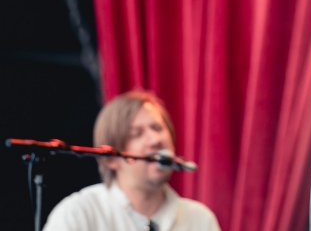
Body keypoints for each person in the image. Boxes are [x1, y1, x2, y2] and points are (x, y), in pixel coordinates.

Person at [44, 90, 221, 231]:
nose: (155, 140)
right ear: (110, 159)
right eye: (136, 134)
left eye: (158, 128)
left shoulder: (200, 219)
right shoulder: (79, 213)